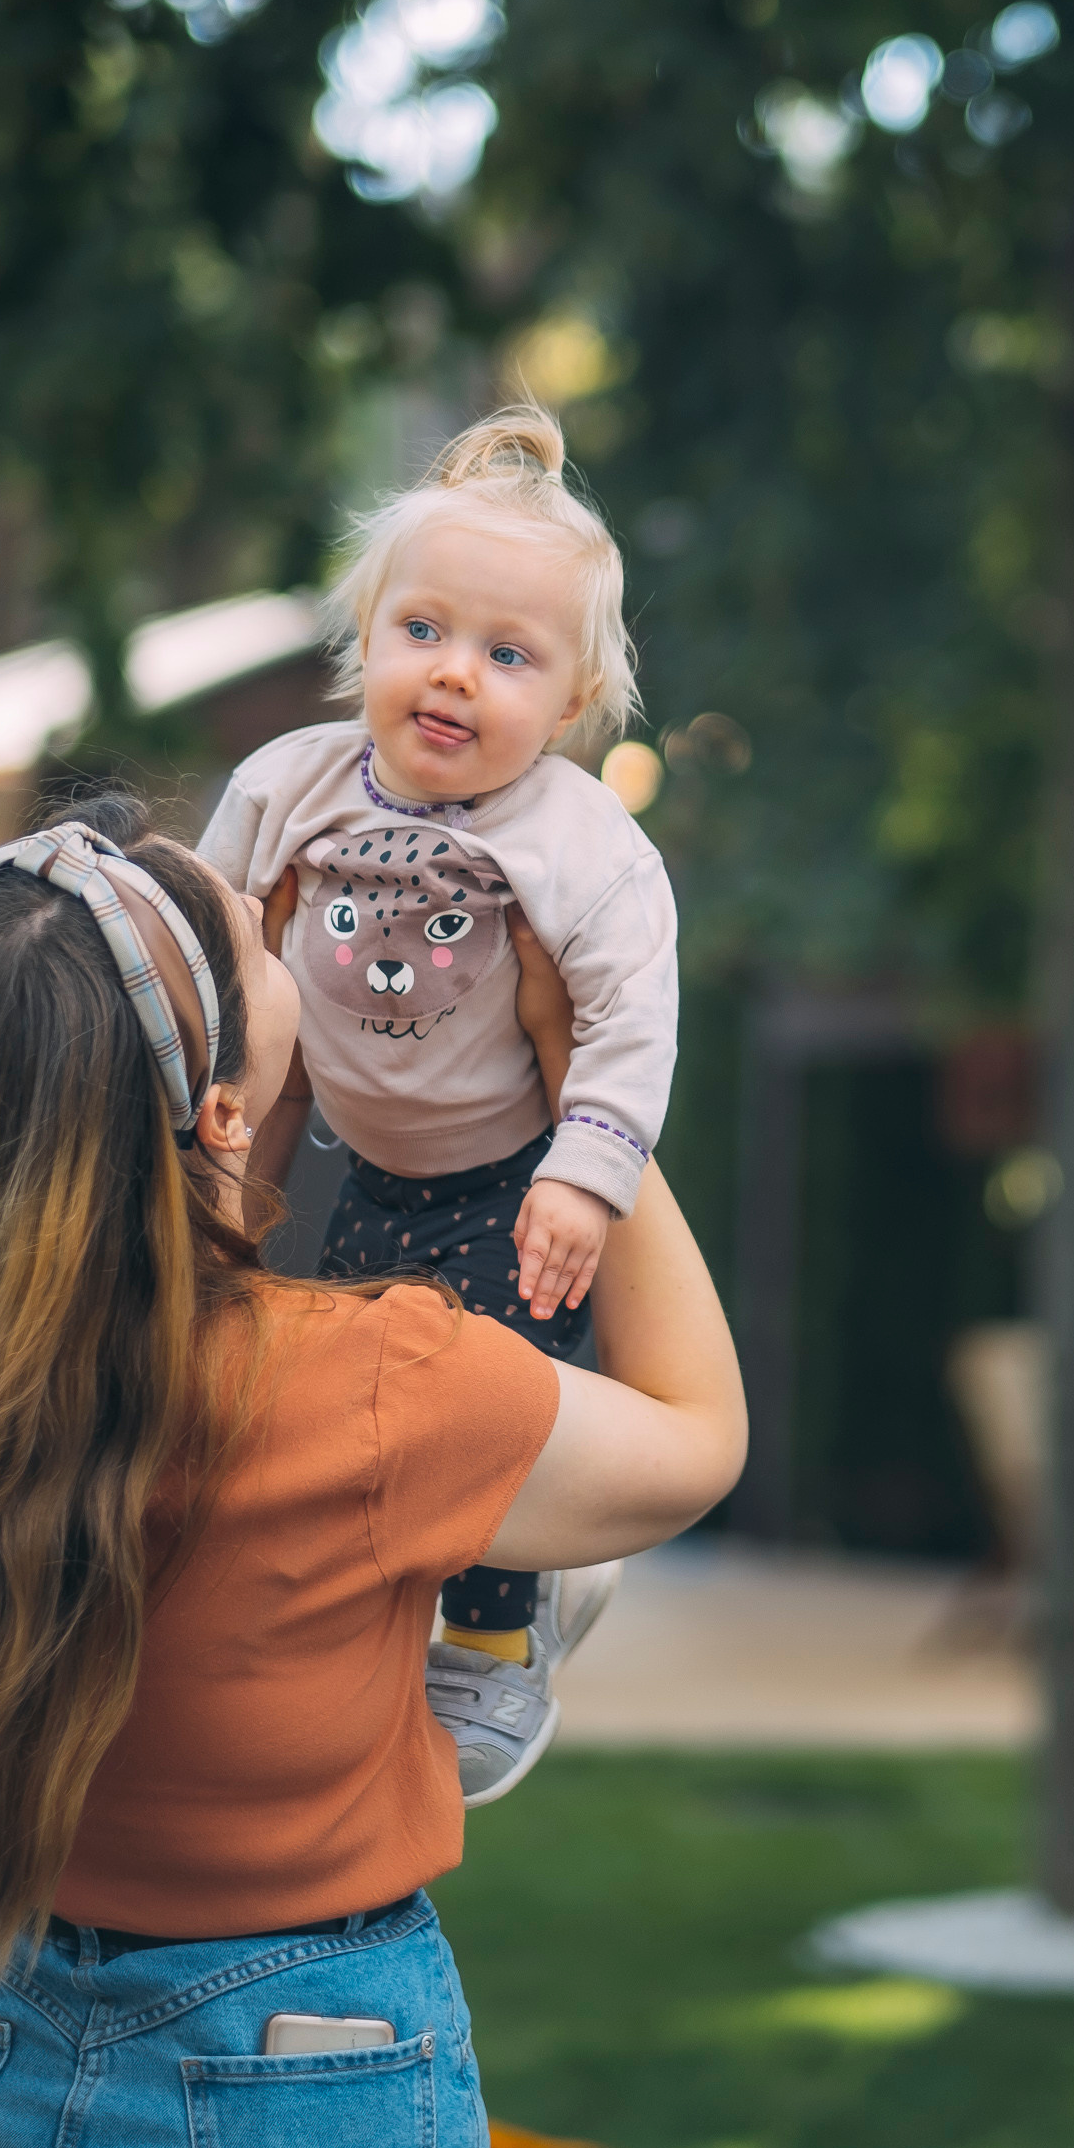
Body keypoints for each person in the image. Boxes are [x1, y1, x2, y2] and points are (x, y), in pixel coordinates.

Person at [0, 796, 744, 2148]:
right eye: (262, 936)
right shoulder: (372, 1387)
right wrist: (590, 1088)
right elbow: (694, 1436)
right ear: (221, 1116)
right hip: (300, 2097)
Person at [199, 401, 675, 1800]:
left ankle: (498, 1633)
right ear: (367, 642)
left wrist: (586, 1173)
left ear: (572, 705)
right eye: (424, 632)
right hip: (369, 1164)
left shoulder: (579, 838)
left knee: (487, 1411)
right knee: (364, 1411)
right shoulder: (288, 788)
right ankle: (433, 1608)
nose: (455, 675)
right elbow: (213, 949)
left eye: (508, 655)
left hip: (515, 1173)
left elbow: (634, 1015)